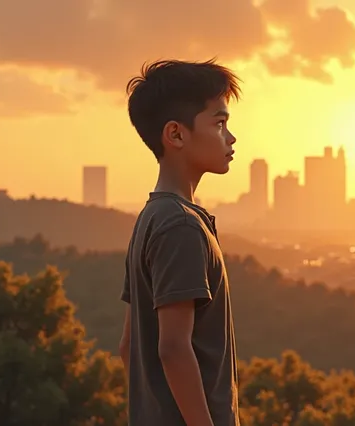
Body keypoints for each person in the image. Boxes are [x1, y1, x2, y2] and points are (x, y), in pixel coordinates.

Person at [118, 59, 241, 426]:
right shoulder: (181, 227)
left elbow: (128, 348)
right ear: (176, 135)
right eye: (219, 123)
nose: (230, 137)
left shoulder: (153, 218)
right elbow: (172, 348)